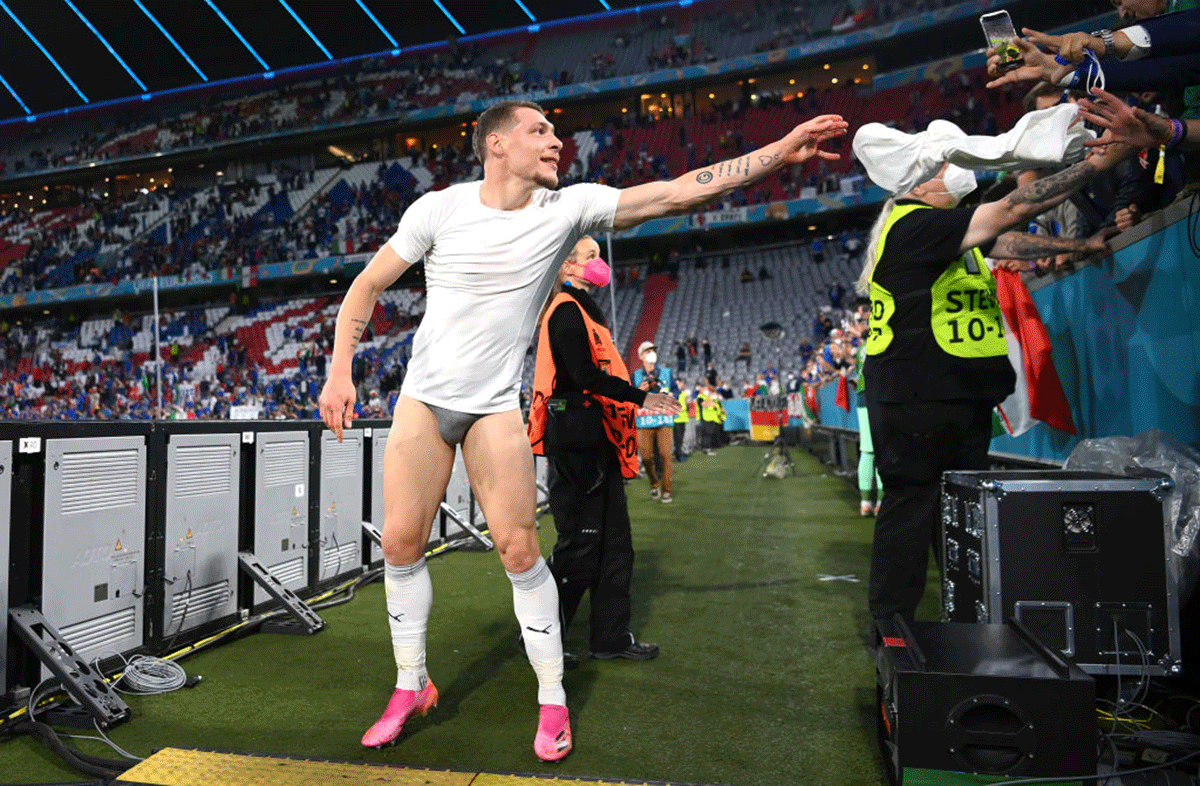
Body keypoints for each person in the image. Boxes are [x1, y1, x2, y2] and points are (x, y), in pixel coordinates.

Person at [318, 99, 848, 759]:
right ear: (497, 146)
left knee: (518, 551)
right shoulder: (439, 210)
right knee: (400, 543)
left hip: (491, 409)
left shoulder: (566, 209)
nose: (556, 142)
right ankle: (410, 685)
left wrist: (778, 151)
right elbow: (366, 286)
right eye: (540, 130)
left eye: (556, 132)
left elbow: (677, 194)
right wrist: (340, 372)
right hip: (423, 402)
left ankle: (551, 696)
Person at [852, 132, 1132, 622]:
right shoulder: (914, 224)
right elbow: (1009, 212)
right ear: (918, 184)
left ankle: (961, 625)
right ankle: (891, 629)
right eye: (943, 165)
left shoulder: (942, 229)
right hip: (919, 396)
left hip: (953, 393)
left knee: (956, 514)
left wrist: (1078, 244)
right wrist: (1097, 163)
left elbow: (1004, 240)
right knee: (912, 511)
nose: (954, 169)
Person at [528, 237, 677, 663]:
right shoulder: (565, 312)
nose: (600, 262)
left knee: (615, 544)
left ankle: (610, 636)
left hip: (600, 438)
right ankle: (539, 638)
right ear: (567, 266)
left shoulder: (585, 311)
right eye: (591, 256)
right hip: (578, 442)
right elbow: (583, 375)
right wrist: (638, 397)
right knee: (581, 544)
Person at [631, 341, 678, 503]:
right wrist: (639, 391)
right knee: (646, 457)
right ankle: (654, 483)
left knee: (666, 454)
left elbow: (675, 390)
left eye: (653, 350)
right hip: (644, 421)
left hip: (664, 419)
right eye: (647, 351)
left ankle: (667, 490)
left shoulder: (667, 372)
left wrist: (673, 395)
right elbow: (630, 398)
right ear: (640, 356)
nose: (651, 353)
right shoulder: (635, 376)